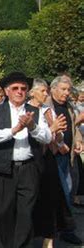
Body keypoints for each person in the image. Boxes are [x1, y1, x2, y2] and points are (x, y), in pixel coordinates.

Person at [0, 72, 52, 248]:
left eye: (23, 88)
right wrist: (13, 130)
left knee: (26, 214)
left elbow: (47, 137)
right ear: (7, 91)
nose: (19, 91)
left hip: (28, 169)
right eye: (15, 88)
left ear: (28, 91)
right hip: (3, 171)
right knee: (3, 214)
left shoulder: (36, 112)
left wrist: (32, 127)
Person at [29, 79, 74, 248]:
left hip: (49, 160)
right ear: (32, 92)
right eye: (42, 91)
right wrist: (52, 129)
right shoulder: (26, 110)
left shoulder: (48, 111)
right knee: (32, 200)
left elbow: (58, 135)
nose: (45, 94)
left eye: (46, 91)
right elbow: (36, 136)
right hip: (31, 161)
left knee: (51, 199)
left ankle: (49, 242)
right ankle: (29, 236)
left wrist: (60, 136)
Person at [46, 76, 83, 245]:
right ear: (53, 89)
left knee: (68, 192)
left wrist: (78, 140)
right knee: (58, 194)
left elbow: (73, 127)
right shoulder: (46, 106)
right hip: (52, 157)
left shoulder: (69, 106)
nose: (66, 93)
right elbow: (43, 131)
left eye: (68, 90)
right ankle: (55, 231)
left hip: (68, 157)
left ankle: (65, 229)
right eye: (63, 89)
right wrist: (58, 144)